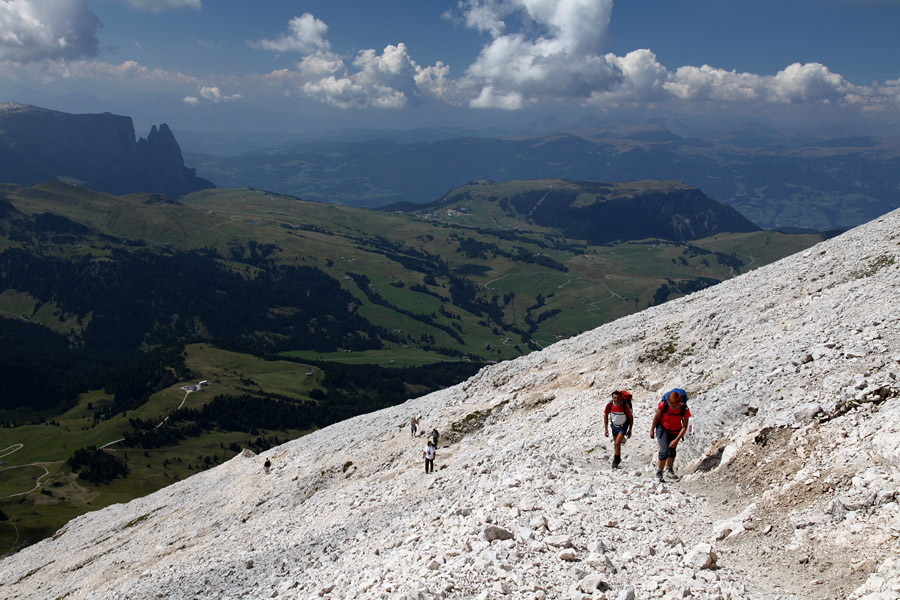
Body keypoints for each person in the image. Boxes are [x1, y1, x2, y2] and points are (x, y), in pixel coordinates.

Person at [650, 389, 690, 482]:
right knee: (664, 450)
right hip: (663, 429)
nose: (674, 407)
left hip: (676, 430)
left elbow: (684, 427)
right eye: (672, 405)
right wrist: (652, 430)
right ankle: (659, 472)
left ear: (680, 403)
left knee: (672, 451)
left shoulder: (685, 409)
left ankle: (669, 470)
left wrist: (676, 440)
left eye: (676, 405)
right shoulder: (663, 405)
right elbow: (656, 417)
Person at [604, 391, 633, 468]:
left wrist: (630, 430)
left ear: (621, 397)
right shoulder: (609, 405)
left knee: (617, 442)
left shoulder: (625, 406)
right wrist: (606, 429)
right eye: (614, 398)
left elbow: (630, 418)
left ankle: (615, 460)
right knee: (616, 443)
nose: (616, 399)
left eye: (617, 398)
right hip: (614, 426)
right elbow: (606, 415)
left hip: (623, 426)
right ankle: (618, 457)